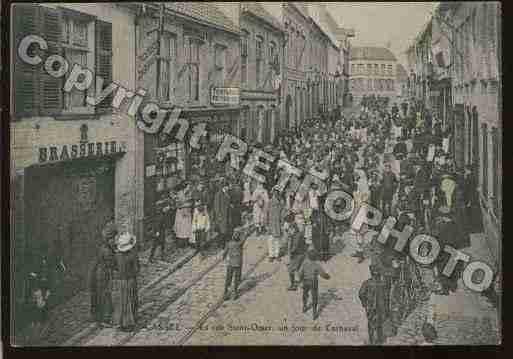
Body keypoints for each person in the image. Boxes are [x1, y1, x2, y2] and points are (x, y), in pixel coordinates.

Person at [89, 221, 117, 326]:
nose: (114, 240)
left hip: (99, 273)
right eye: (113, 239)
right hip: (103, 275)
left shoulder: (104, 248)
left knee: (100, 295)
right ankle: (104, 319)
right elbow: (113, 264)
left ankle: (97, 317)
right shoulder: (107, 251)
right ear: (108, 240)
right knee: (105, 296)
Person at [114, 232, 139, 332]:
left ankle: (120, 321)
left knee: (121, 301)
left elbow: (115, 267)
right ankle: (129, 322)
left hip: (120, 281)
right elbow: (136, 269)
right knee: (131, 300)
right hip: (130, 280)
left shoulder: (117, 255)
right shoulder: (132, 255)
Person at [298, 248, 331, 320]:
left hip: (305, 281)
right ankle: (314, 312)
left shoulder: (304, 263)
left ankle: (304, 306)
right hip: (313, 282)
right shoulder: (316, 265)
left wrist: (300, 280)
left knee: (305, 294)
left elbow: (300, 272)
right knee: (315, 296)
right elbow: (323, 274)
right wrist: (327, 276)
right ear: (316, 257)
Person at [359, 264, 388, 345]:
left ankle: (379, 339)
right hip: (371, 307)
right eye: (375, 273)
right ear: (372, 273)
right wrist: (365, 303)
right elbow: (361, 294)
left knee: (380, 323)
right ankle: (372, 339)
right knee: (372, 323)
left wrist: (386, 305)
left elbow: (386, 296)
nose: (376, 275)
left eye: (377, 273)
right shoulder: (367, 283)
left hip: (380, 306)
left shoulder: (382, 283)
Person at [268, 186, 286, 262]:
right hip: (271, 222)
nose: (276, 193)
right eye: (275, 191)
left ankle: (277, 254)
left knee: (278, 240)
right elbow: (266, 212)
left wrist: (282, 222)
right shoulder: (270, 201)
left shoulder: (281, 202)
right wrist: (266, 223)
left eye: (277, 192)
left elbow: (282, 213)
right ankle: (271, 255)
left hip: (278, 222)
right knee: (271, 239)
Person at [287, 222, 306, 291]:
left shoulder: (296, 236)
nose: (289, 231)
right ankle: (303, 284)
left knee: (290, 270)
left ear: (294, 229)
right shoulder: (299, 234)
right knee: (298, 270)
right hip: (302, 254)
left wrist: (290, 254)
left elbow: (294, 248)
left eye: (290, 229)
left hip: (297, 255)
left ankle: (293, 285)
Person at [174, 181, 193, 249]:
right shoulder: (180, 194)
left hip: (187, 212)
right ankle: (180, 244)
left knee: (187, 228)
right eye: (188, 186)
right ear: (185, 186)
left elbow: (189, 201)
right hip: (181, 213)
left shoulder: (188, 193)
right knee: (181, 229)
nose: (189, 187)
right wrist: (186, 205)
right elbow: (177, 205)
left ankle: (186, 242)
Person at [214, 180, 232, 249]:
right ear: (224, 187)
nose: (228, 188)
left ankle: (223, 243)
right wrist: (219, 216)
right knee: (222, 230)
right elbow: (216, 206)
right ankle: (221, 245)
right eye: (227, 186)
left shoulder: (226, 193)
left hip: (227, 214)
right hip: (222, 215)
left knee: (225, 229)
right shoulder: (218, 194)